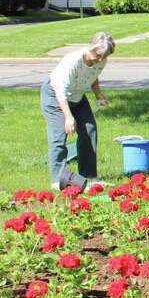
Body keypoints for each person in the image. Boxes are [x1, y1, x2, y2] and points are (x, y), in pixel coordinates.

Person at [41, 32, 115, 190]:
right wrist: (68, 117)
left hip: (77, 96)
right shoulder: (72, 61)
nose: (100, 60)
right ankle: (57, 181)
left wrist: (98, 95)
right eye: (98, 55)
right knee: (58, 136)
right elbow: (61, 91)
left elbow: (93, 75)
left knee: (89, 130)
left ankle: (89, 176)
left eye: (104, 56)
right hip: (55, 96)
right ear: (91, 47)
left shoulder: (101, 60)